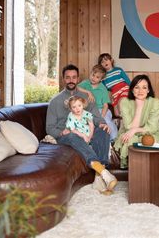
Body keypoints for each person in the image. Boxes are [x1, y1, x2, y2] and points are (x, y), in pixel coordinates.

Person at [46, 64, 117, 195]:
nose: (71, 80)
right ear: (63, 79)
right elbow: (49, 127)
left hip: (85, 130)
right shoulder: (55, 102)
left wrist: (102, 124)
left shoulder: (87, 98)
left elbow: (96, 116)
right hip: (67, 134)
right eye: (68, 78)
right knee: (73, 136)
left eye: (74, 77)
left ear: (78, 79)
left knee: (104, 130)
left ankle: (99, 177)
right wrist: (61, 132)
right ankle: (103, 172)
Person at [114, 74, 159, 169]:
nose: (140, 91)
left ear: (148, 90)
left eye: (144, 88)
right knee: (130, 140)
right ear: (132, 89)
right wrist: (139, 107)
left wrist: (134, 130)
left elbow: (152, 128)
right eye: (137, 87)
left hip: (149, 133)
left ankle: (150, 171)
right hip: (129, 133)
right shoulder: (124, 102)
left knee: (149, 141)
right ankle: (136, 173)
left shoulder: (155, 103)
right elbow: (128, 127)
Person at [79, 64, 118, 142]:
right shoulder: (85, 83)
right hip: (89, 110)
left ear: (101, 79)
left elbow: (105, 106)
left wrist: (101, 117)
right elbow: (77, 88)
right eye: (93, 75)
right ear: (90, 73)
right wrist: (88, 92)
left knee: (106, 121)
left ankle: (114, 139)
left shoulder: (102, 89)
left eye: (97, 77)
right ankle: (88, 140)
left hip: (102, 110)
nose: (94, 78)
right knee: (85, 122)